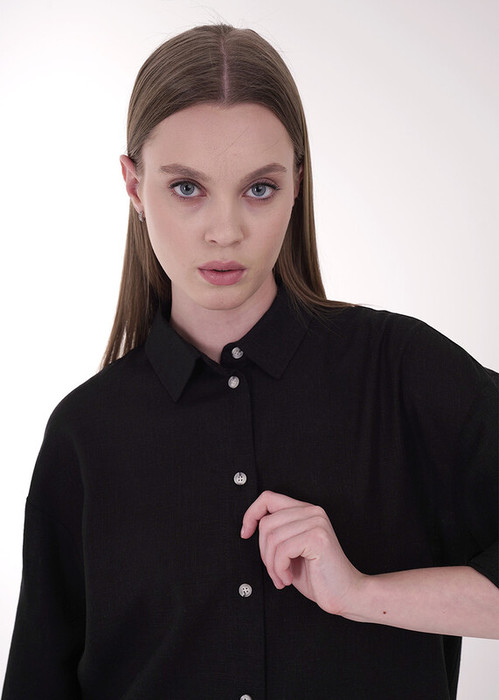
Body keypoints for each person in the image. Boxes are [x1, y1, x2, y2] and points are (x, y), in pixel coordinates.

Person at [2, 23, 497, 700]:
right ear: (134, 186)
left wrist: (362, 594)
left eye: (258, 189)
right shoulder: (84, 434)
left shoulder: (401, 372)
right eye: (187, 188)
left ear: (297, 184)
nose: (225, 230)